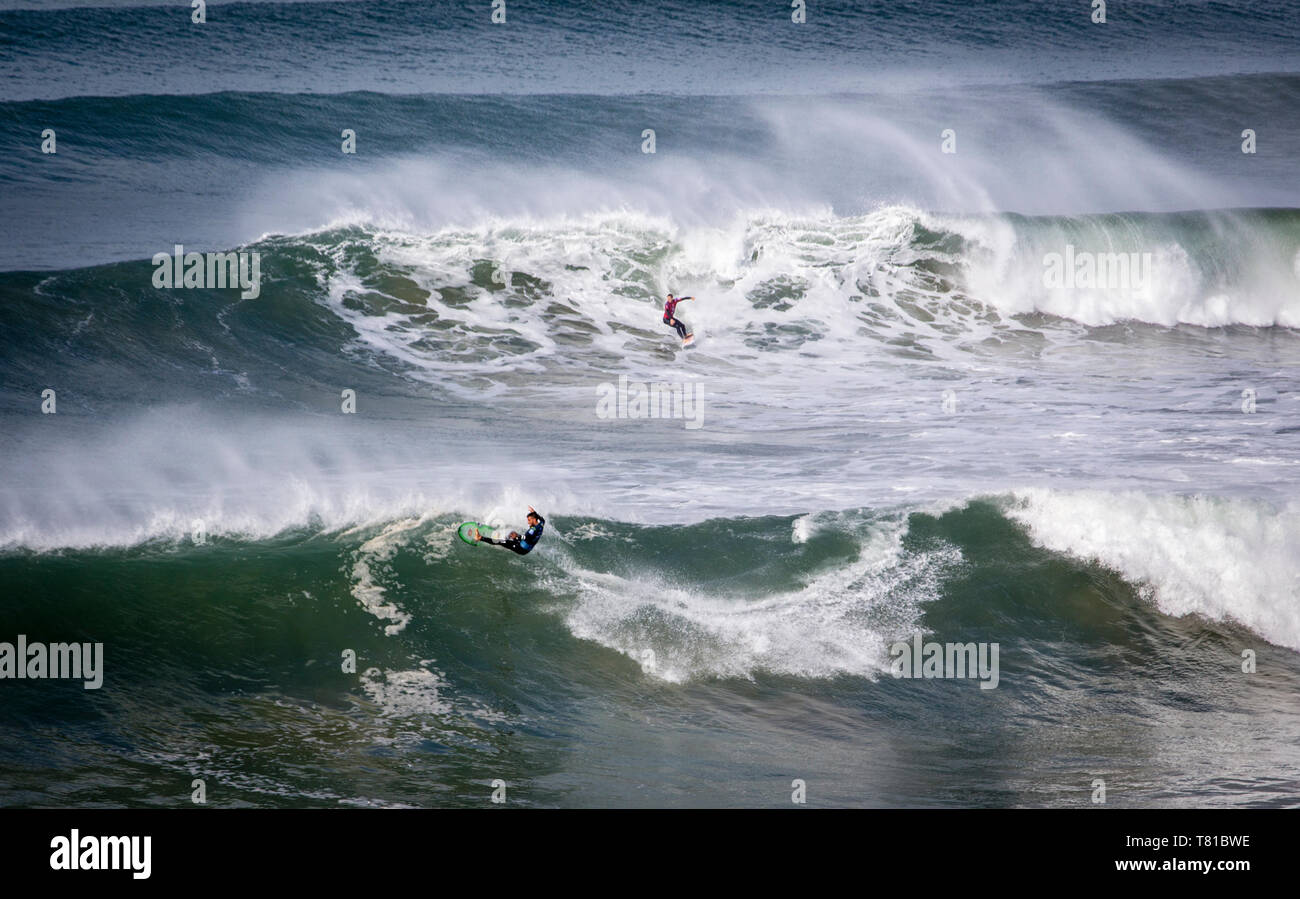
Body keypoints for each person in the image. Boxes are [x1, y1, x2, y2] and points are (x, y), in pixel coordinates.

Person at [475, 506, 544, 555]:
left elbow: (527, 537)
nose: (528, 522)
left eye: (529, 520)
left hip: (521, 548)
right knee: (512, 534)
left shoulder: (533, 530)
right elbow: (542, 520)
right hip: (527, 547)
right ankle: (507, 539)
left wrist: (517, 536)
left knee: (499, 541)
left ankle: (480, 538)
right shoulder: (541, 524)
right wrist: (534, 512)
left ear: (534, 519)